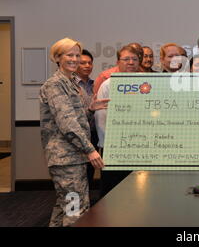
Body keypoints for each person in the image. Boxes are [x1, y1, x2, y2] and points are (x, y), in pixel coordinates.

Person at [39, 38, 107, 227]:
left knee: (65, 205)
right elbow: (67, 123)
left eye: (77, 55)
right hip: (67, 158)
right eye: (70, 55)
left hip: (72, 157)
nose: (75, 59)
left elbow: (72, 116)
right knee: (76, 208)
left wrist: (90, 109)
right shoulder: (56, 84)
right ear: (57, 57)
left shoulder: (70, 83)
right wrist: (90, 149)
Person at [95, 45, 141, 197]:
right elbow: (100, 117)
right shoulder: (108, 85)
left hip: (140, 146)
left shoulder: (146, 83)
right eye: (126, 59)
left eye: (134, 59)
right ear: (118, 62)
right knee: (113, 190)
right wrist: (107, 144)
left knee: (137, 189)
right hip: (114, 147)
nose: (131, 62)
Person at [75, 49, 99, 191]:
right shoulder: (69, 85)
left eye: (90, 63)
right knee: (77, 176)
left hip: (93, 134)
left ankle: (87, 204)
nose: (87, 66)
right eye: (83, 63)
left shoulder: (95, 84)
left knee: (90, 172)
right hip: (78, 136)